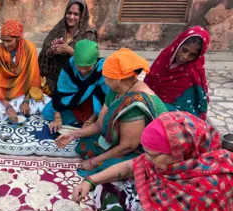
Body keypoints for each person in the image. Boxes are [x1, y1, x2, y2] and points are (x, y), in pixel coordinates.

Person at [75, 112, 233, 211]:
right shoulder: (180, 160)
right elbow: (131, 166)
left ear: (177, 151)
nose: (147, 159)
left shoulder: (207, 188)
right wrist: (90, 181)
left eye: (152, 155)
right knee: (104, 187)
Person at [55, 48, 168, 177]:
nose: (104, 79)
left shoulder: (136, 103)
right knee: (85, 141)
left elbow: (128, 147)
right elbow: (99, 124)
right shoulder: (117, 90)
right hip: (126, 139)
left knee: (107, 169)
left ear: (118, 79)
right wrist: (73, 134)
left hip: (144, 149)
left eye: (106, 76)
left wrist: (94, 161)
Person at [0, 20, 51, 122]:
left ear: (18, 39)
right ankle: (14, 113)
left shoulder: (29, 48)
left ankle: (13, 113)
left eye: (9, 41)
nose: (5, 44)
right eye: (3, 40)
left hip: (25, 94)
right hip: (5, 96)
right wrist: (8, 107)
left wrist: (26, 101)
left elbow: (33, 79)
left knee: (49, 104)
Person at [43, 39, 110, 132]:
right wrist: (57, 118)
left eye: (87, 68)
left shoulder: (102, 69)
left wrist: (90, 122)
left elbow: (104, 99)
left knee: (105, 115)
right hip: (74, 100)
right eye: (79, 67)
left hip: (93, 104)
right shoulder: (70, 64)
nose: (82, 71)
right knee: (47, 112)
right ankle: (79, 118)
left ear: (94, 62)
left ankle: (87, 119)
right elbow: (60, 92)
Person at [144, 26, 210, 120]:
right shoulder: (164, 58)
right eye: (184, 50)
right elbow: (149, 82)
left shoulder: (193, 71)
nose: (185, 57)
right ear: (178, 44)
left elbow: (188, 104)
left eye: (192, 55)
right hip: (155, 103)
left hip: (180, 114)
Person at [38, 0, 97, 96]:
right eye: (69, 13)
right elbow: (44, 54)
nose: (71, 17)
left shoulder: (88, 34)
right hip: (53, 82)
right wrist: (51, 51)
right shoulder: (58, 29)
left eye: (76, 14)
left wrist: (70, 51)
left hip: (75, 82)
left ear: (82, 16)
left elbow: (90, 60)